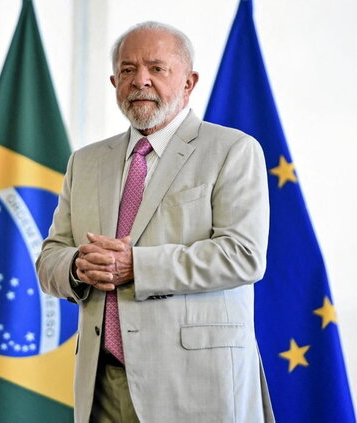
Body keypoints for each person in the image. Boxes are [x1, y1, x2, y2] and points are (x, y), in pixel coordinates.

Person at [36, 22, 274, 422]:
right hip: (103, 386)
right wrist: (78, 266)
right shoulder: (86, 161)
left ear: (189, 82)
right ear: (114, 81)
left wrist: (137, 265)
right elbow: (49, 259)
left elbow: (244, 256)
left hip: (197, 385)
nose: (139, 80)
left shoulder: (232, 150)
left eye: (156, 68)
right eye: (127, 70)